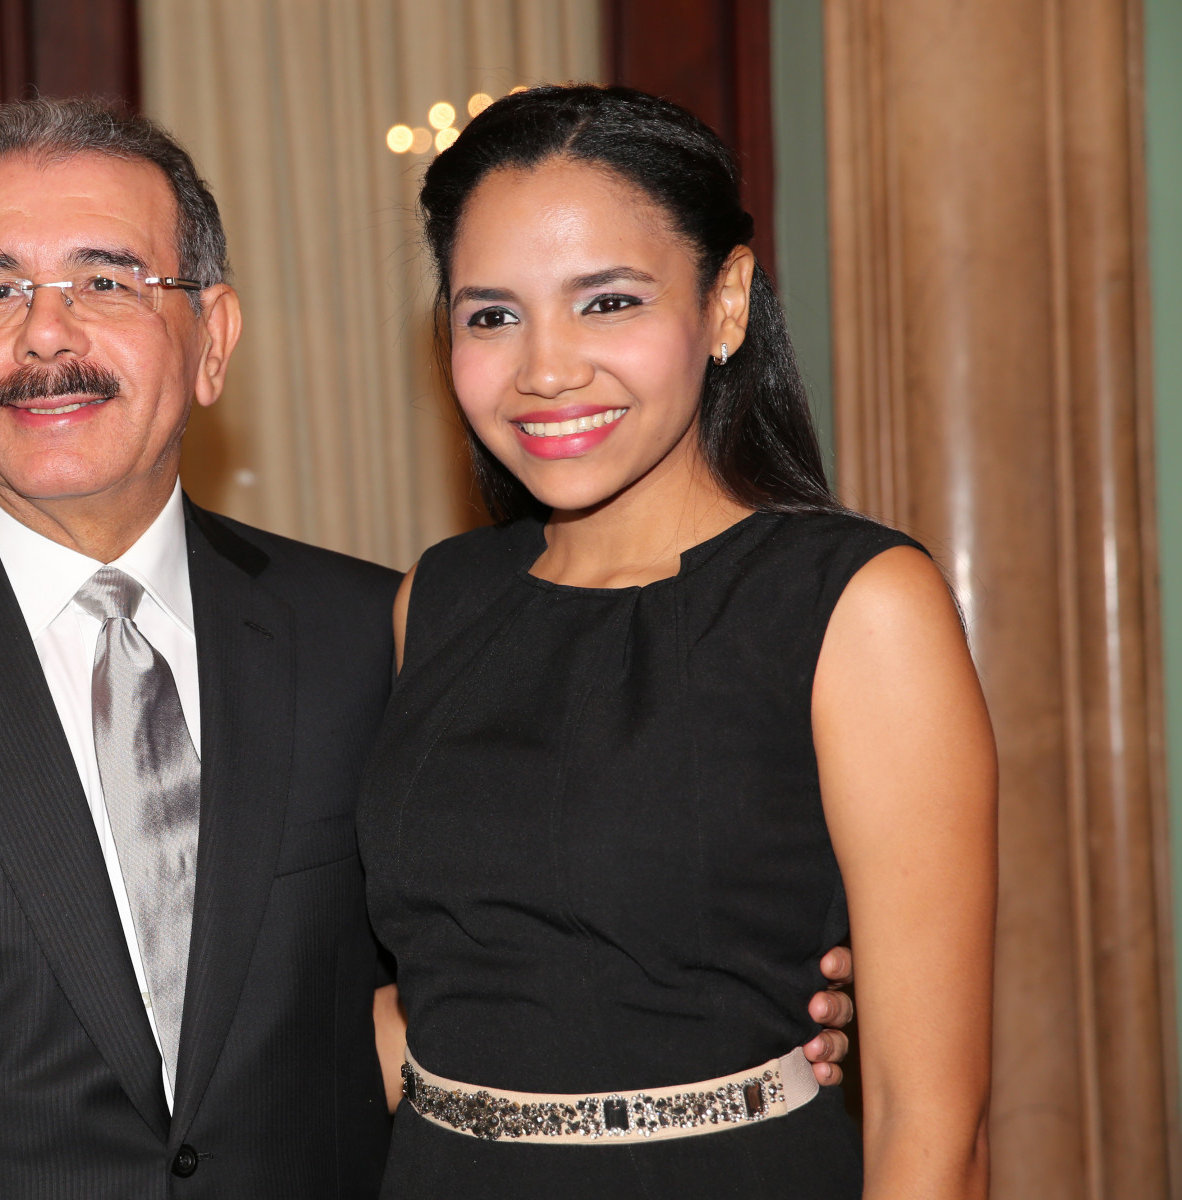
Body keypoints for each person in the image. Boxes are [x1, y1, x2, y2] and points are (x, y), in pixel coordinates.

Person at [0, 97, 855, 1199]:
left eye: (106, 280)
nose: (44, 334)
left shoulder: (377, 637)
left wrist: (746, 1031)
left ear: (213, 338)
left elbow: (510, 950)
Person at [358, 85, 997, 1199]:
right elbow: (440, 985)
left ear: (727, 301)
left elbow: (929, 1125)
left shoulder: (856, 605)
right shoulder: (438, 600)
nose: (545, 368)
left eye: (608, 302)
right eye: (491, 316)